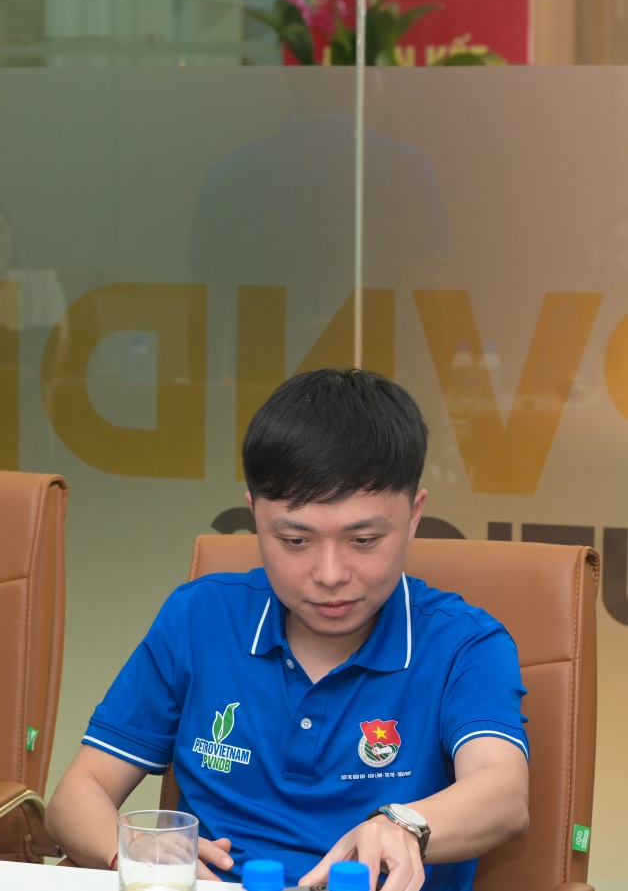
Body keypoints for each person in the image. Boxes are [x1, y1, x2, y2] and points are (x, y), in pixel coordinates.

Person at [45, 369, 529, 891]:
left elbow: (503, 793)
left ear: (413, 516)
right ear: (255, 516)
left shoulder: (464, 644)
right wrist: (134, 853)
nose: (330, 575)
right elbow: (77, 794)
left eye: (363, 540)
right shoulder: (200, 618)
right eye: (296, 541)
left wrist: (402, 824)